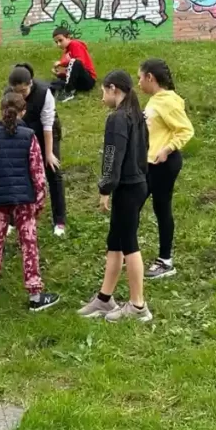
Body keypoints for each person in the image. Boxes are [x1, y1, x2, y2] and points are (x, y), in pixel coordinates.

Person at [0, 92, 59, 311]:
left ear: (0, 110)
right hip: (25, 199)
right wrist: (40, 199)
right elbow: (37, 172)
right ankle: (35, 295)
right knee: (29, 245)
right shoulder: (29, 136)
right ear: (23, 111)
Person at [78, 71, 151, 322]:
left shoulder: (118, 119)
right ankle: (105, 299)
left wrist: (105, 189)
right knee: (116, 242)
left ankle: (138, 306)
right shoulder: (137, 116)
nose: (102, 97)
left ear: (113, 88)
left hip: (128, 187)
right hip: (137, 183)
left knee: (129, 244)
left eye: (103, 91)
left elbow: (111, 156)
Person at [138, 58, 194, 280]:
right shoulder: (156, 99)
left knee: (161, 208)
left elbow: (186, 130)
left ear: (150, 77)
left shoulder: (168, 101)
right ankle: (125, 251)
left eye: (140, 78)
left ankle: (165, 261)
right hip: (150, 162)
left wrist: (167, 150)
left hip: (163, 164)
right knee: (134, 204)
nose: (139, 83)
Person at [8, 63, 66, 237]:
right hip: (21, 132)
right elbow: (7, 119)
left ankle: (60, 221)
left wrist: (48, 153)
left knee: (53, 172)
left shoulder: (43, 93)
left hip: (46, 131)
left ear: (31, 84)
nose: (20, 96)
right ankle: (13, 219)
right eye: (16, 92)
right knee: (18, 174)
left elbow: (47, 124)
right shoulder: (8, 95)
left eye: (23, 91)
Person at [49, 26, 96, 102]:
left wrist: (61, 63)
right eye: (56, 42)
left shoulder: (75, 44)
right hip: (78, 82)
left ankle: (68, 92)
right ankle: (50, 91)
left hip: (88, 80)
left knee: (75, 62)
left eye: (60, 40)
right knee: (54, 82)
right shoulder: (65, 52)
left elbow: (80, 62)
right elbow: (70, 72)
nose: (58, 44)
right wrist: (59, 73)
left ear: (68, 37)